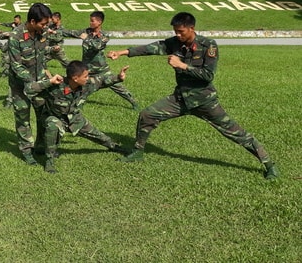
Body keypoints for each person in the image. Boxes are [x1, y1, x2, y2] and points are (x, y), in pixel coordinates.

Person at [107, 12, 279, 180]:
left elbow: (207, 75)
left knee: (236, 133)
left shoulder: (208, 45)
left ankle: (269, 164)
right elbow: (150, 48)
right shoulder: (175, 43)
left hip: (204, 101)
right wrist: (122, 52)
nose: (178, 35)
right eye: (175, 31)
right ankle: (137, 152)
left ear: (191, 28)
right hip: (180, 99)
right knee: (147, 115)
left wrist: (182, 66)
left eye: (181, 31)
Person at [27, 61, 131, 173]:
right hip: (55, 118)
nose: (88, 78)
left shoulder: (87, 85)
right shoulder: (55, 86)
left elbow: (102, 81)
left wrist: (118, 77)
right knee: (53, 125)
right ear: (75, 78)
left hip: (75, 119)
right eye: (85, 76)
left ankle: (115, 147)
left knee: (99, 136)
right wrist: (49, 82)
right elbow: (29, 89)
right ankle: (49, 161)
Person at [7, 2, 53, 165]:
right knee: (23, 118)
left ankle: (40, 146)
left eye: (47, 23)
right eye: (43, 23)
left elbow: (42, 56)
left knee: (43, 115)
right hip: (21, 86)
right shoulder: (15, 36)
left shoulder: (43, 32)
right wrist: (34, 83)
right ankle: (26, 151)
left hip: (40, 82)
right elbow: (16, 65)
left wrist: (46, 76)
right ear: (32, 22)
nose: (46, 26)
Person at [66, 11, 139, 110]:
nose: (90, 23)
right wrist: (56, 31)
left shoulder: (105, 36)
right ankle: (78, 107)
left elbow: (97, 46)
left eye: (92, 21)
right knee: (83, 88)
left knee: (117, 86)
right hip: (87, 69)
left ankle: (134, 102)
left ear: (99, 22)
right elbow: (71, 33)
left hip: (101, 69)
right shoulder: (86, 31)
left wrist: (86, 39)